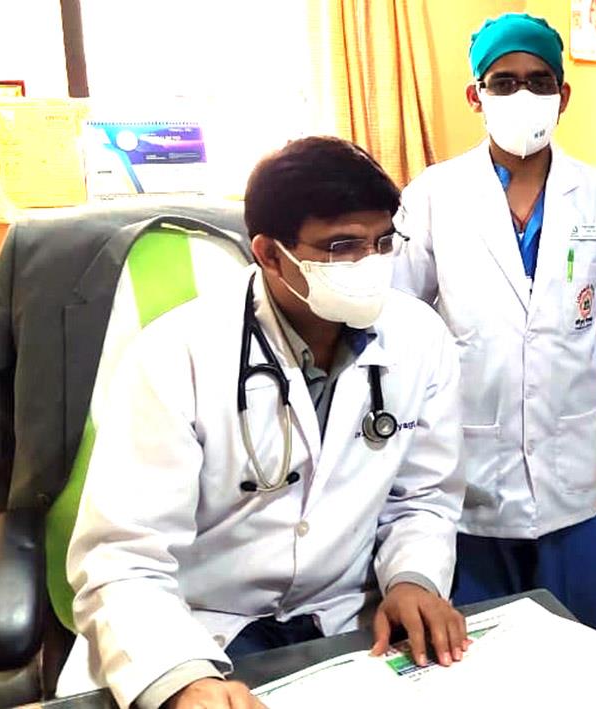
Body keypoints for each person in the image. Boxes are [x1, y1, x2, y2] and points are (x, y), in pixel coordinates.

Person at [64, 137, 469, 709]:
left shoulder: (420, 337)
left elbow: (423, 500)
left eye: (383, 242)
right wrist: (181, 679)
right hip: (199, 627)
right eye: (343, 246)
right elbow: (123, 554)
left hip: (343, 625)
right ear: (270, 255)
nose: (371, 263)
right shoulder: (177, 353)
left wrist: (412, 578)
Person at [393, 13, 596, 634]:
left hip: (570, 475)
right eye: (503, 82)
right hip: (467, 473)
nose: (523, 94)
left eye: (539, 81)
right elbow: (400, 323)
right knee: (475, 653)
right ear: (475, 95)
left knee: (577, 644)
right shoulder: (433, 195)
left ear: (563, 96)